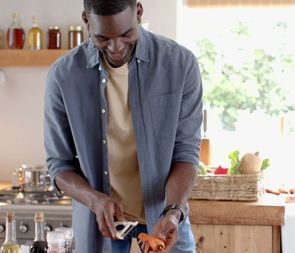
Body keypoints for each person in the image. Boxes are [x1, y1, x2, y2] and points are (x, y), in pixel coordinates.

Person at [43, 0, 202, 252]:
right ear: (86, 20)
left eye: (126, 34)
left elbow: (185, 153)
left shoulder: (180, 64)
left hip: (165, 220)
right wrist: (95, 201)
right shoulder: (63, 75)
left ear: (138, 12)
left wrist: (174, 211)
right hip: (100, 231)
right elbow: (59, 165)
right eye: (103, 38)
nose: (116, 47)